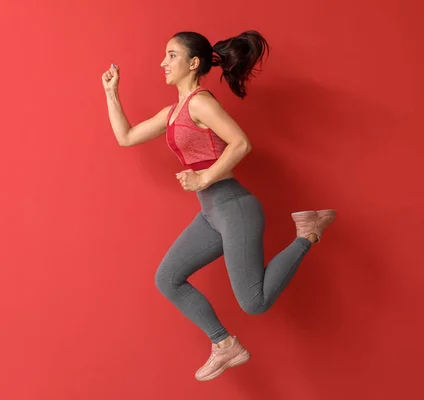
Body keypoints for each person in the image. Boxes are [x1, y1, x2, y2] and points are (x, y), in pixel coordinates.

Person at [101, 30, 336, 381]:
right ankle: (224, 344)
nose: (163, 63)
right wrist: (111, 92)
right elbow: (126, 137)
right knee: (168, 279)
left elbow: (241, 143)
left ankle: (308, 233)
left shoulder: (200, 102)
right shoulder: (173, 111)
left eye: (172, 55)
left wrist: (204, 178)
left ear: (193, 63)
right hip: (212, 215)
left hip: (235, 207)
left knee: (254, 303)